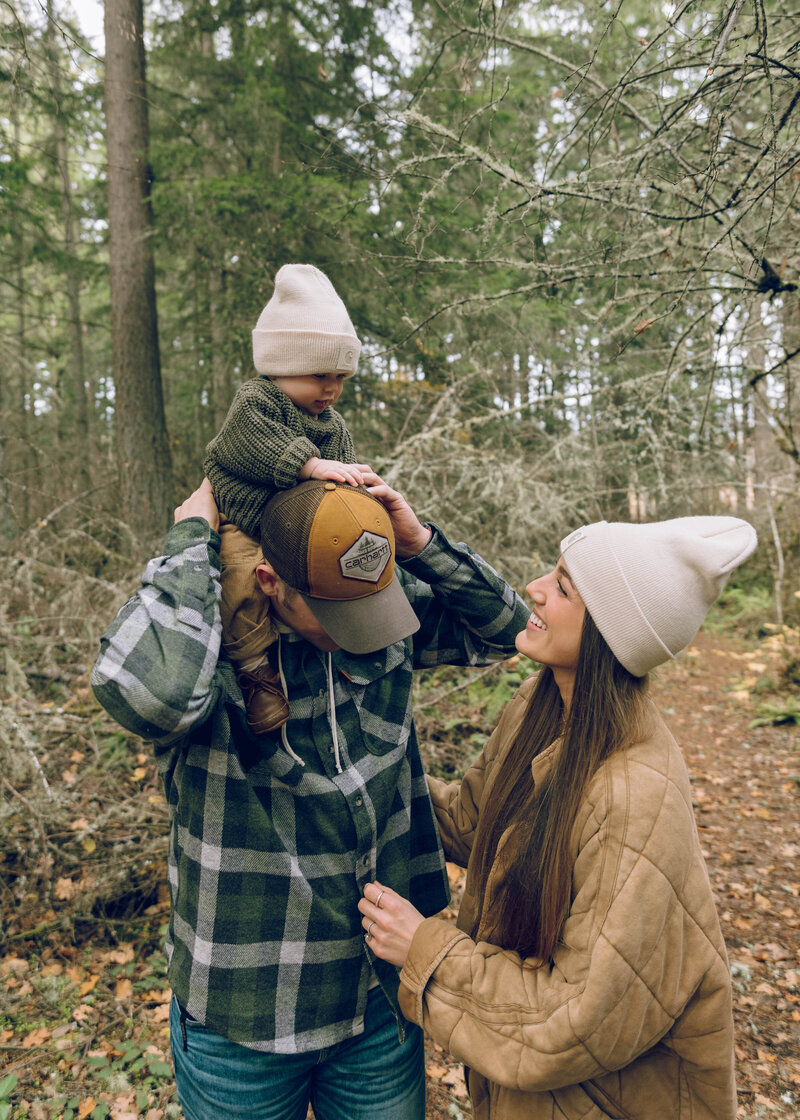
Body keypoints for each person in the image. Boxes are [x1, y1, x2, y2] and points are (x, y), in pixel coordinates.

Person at [90, 472, 530, 1120]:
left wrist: (419, 543)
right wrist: (191, 537)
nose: (363, 630)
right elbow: (149, 695)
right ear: (270, 583)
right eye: (337, 616)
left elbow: (506, 629)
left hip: (376, 1002)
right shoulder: (203, 646)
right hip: (243, 1018)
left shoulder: (369, 599)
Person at [358, 515, 758, 1120]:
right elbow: (471, 820)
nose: (537, 588)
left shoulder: (634, 796)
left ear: (610, 632)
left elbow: (572, 1019)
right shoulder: (542, 705)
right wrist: (357, 779)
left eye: (564, 586)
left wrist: (425, 949)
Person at [204, 263, 369, 736]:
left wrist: (349, 487)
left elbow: (332, 482)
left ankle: (328, 652)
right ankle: (255, 668)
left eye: (340, 376)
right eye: (319, 374)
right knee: (240, 586)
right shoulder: (258, 400)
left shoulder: (333, 424)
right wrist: (309, 465)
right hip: (243, 518)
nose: (331, 389)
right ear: (282, 365)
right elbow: (248, 442)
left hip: (297, 529)